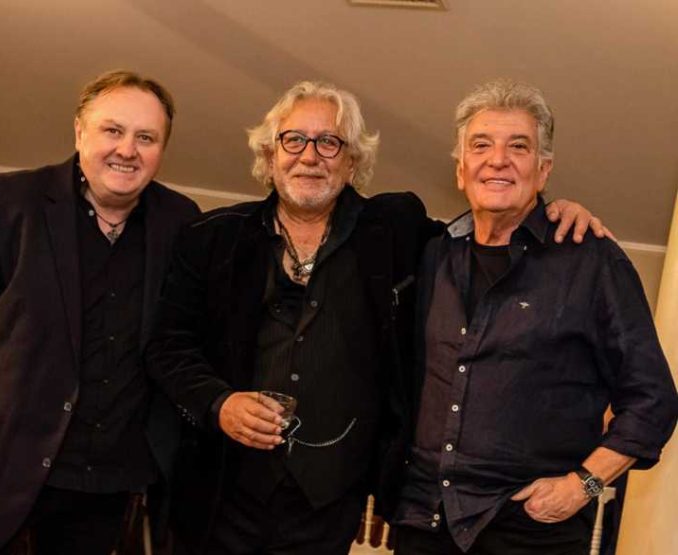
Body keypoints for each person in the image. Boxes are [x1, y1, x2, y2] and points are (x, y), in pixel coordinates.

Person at [146, 80, 605, 555]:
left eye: (330, 142)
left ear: (352, 161)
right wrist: (218, 403)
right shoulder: (210, 237)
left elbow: (484, 231)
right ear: (270, 153)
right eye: (294, 140)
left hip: (330, 503)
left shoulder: (394, 230)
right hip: (218, 489)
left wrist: (551, 212)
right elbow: (168, 347)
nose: (310, 156)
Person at [388, 79, 678, 555]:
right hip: (423, 521)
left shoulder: (592, 262)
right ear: (461, 170)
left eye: (518, 147)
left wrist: (583, 485)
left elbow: (653, 400)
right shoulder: (430, 254)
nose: (497, 160)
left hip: (532, 531)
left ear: (543, 171)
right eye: (481, 145)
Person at [0, 70, 199, 555]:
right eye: (113, 130)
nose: (127, 150)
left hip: (102, 493)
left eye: (146, 137)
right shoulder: (0, 205)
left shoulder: (183, 222)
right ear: (79, 131)